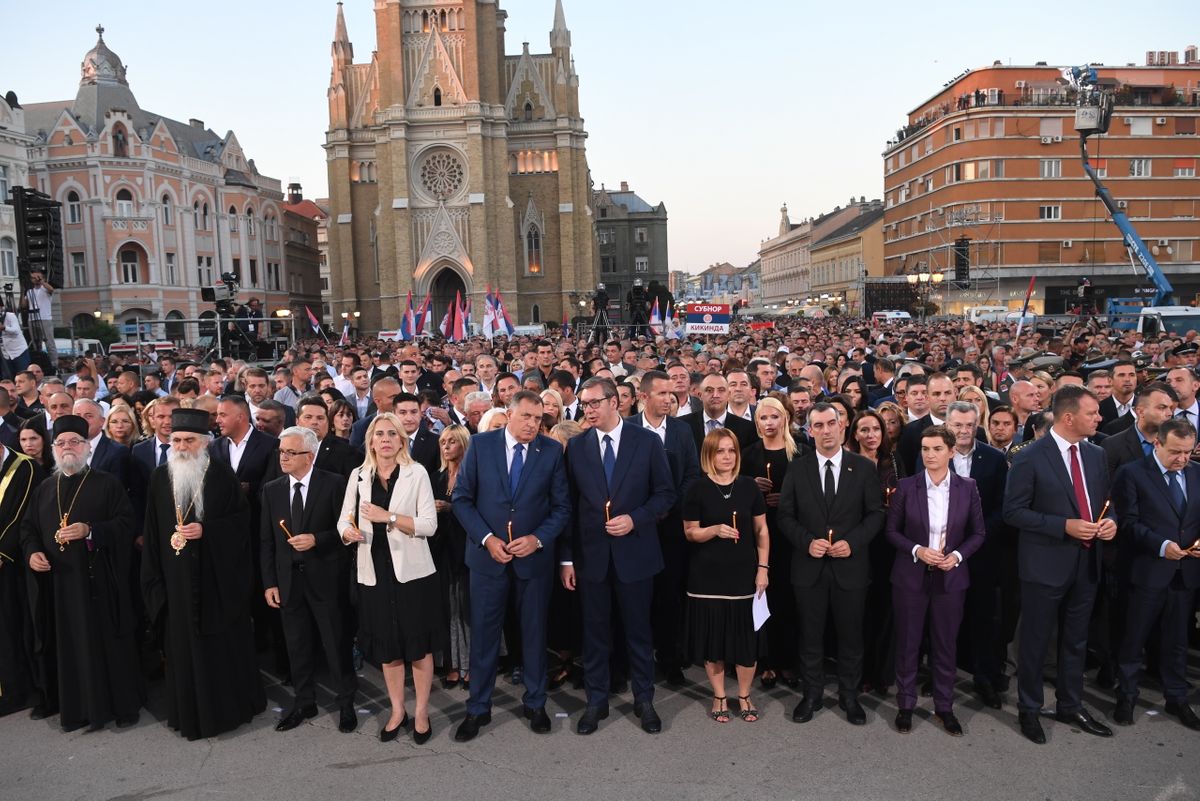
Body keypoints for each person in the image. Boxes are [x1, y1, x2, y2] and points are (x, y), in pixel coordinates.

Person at [451, 392, 571, 741]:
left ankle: (535, 703)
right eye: (527, 417)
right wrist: (487, 539)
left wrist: (537, 539)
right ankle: (478, 708)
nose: (533, 424)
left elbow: (561, 508)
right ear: (509, 413)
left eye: (538, 418)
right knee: (485, 637)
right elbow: (462, 499)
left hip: (533, 561)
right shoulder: (481, 445)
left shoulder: (550, 451)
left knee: (534, 635)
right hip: (488, 561)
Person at [141, 408, 265, 740]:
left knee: (218, 649)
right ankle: (190, 714)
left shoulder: (221, 476)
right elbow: (152, 533)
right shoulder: (158, 477)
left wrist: (207, 530)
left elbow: (242, 525)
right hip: (175, 580)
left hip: (215, 581)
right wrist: (154, 580)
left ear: (204, 443)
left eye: (188, 440)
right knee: (182, 648)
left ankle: (226, 712)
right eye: (176, 439)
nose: (181, 446)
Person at [1002, 385, 1115, 745]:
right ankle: (1030, 709)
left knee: (1076, 640)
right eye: (1093, 413)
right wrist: (1062, 525)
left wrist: (1112, 522)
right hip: (1044, 565)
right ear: (1069, 417)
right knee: (1035, 641)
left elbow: (1106, 503)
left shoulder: (1097, 455)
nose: (1099, 418)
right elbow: (1013, 512)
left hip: (1087, 563)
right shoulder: (1030, 457)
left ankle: (1071, 704)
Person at [562, 377, 675, 735]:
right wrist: (566, 559)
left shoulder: (646, 442)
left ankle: (644, 699)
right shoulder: (577, 447)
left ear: (615, 402)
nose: (588, 410)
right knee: (595, 634)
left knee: (638, 633)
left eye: (594, 403)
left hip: (636, 555)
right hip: (591, 558)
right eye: (584, 405)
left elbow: (665, 494)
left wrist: (635, 518)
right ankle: (596, 701)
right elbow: (568, 506)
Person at [20, 415, 141, 731]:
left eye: (74, 441)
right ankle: (77, 710)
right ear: (54, 449)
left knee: (103, 646)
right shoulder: (46, 488)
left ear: (87, 447)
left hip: (97, 583)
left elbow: (127, 524)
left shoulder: (106, 483)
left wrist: (91, 531)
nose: (67, 448)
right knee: (68, 648)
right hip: (58, 586)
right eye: (61, 443)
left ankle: (113, 707)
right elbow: (28, 529)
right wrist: (32, 552)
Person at [777, 402, 885, 726]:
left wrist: (851, 543)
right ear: (810, 431)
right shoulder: (797, 468)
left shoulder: (863, 468)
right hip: (808, 569)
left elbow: (876, 513)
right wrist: (807, 541)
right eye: (818, 426)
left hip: (850, 569)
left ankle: (850, 697)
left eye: (830, 424)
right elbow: (784, 515)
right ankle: (812, 695)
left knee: (851, 636)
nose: (825, 431)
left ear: (842, 427)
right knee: (810, 636)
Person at [337, 412, 441, 744]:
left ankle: (421, 710)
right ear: (370, 440)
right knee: (388, 647)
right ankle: (398, 710)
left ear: (401, 439)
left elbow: (429, 525)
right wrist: (347, 532)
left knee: (418, 645)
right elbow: (343, 520)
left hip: (413, 573)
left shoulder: (417, 472)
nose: (385, 439)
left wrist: (389, 517)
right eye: (379, 434)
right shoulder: (358, 475)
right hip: (374, 571)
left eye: (391, 434)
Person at [885, 425, 987, 736]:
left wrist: (956, 557)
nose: (930, 455)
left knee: (945, 645)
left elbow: (978, 533)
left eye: (937, 449)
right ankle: (905, 704)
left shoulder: (967, 487)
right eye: (925, 449)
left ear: (951, 452)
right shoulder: (906, 486)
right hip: (910, 577)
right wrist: (918, 550)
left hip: (951, 578)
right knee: (908, 643)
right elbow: (891, 532)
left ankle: (944, 706)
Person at [260, 426, 357, 734]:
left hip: (326, 579)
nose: (284, 457)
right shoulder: (272, 489)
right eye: (281, 452)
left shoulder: (333, 484)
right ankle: (304, 702)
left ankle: (346, 704)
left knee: (335, 643)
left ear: (309, 456)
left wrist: (317, 539)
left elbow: (346, 532)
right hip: (288, 582)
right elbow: (266, 541)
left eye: (291, 452)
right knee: (297, 645)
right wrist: (270, 582)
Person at [1111, 417, 1200, 730]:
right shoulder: (1132, 474)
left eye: (1188, 452)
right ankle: (1127, 696)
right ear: (1158, 444)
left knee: (1177, 640)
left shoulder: (1197, 474)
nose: (1183, 459)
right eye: (1176, 451)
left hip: (1185, 574)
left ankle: (1177, 697)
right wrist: (1161, 545)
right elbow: (1128, 522)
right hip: (1146, 571)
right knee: (1134, 638)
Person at [684, 429, 769, 723]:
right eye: (720, 451)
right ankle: (719, 694)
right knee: (713, 641)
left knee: (747, 641)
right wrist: (714, 530)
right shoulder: (696, 488)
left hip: (745, 576)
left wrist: (763, 569)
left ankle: (744, 693)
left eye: (731, 450)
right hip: (707, 579)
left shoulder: (749, 488)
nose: (727, 456)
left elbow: (762, 531)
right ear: (709, 454)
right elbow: (690, 532)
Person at [626, 369, 701, 687]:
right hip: (636, 528)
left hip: (671, 527)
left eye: (672, 394)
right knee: (636, 598)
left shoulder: (682, 431)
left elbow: (692, 474)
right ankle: (636, 659)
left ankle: (670, 660)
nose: (670, 399)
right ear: (643, 396)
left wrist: (668, 507)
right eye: (662, 393)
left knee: (670, 595)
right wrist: (644, 512)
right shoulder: (627, 429)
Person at [740, 396, 803, 690]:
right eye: (763, 419)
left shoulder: (800, 453)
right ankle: (764, 661)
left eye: (774, 418)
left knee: (787, 599)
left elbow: (812, 495)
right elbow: (733, 490)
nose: (769, 423)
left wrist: (788, 500)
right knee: (761, 598)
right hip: (757, 537)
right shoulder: (748, 454)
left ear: (784, 419)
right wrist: (750, 487)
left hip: (790, 537)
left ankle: (787, 660)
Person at [0, 432, 45, 716]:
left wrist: (2, 552)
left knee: (11, 627)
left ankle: (17, 691)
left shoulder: (25, 467)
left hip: (12, 565)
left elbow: (21, 516)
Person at [432, 425, 471, 691]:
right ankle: (452, 665)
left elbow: (478, 510)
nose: (446, 447)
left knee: (468, 609)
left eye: (452, 442)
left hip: (467, 550)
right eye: (443, 442)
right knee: (446, 609)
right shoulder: (435, 477)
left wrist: (451, 508)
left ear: (463, 445)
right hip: (441, 552)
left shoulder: (473, 476)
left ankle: (470, 666)